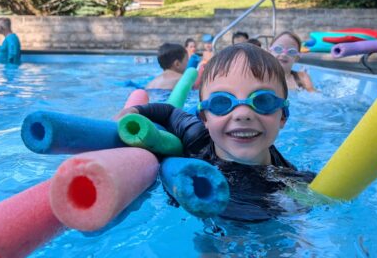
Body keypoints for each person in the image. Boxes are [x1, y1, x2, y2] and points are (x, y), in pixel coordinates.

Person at [118, 43, 315, 222]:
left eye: (263, 101)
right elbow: (168, 111)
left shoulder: (287, 181)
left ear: (283, 117)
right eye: (222, 102)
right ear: (204, 118)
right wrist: (134, 111)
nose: (243, 114)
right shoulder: (197, 138)